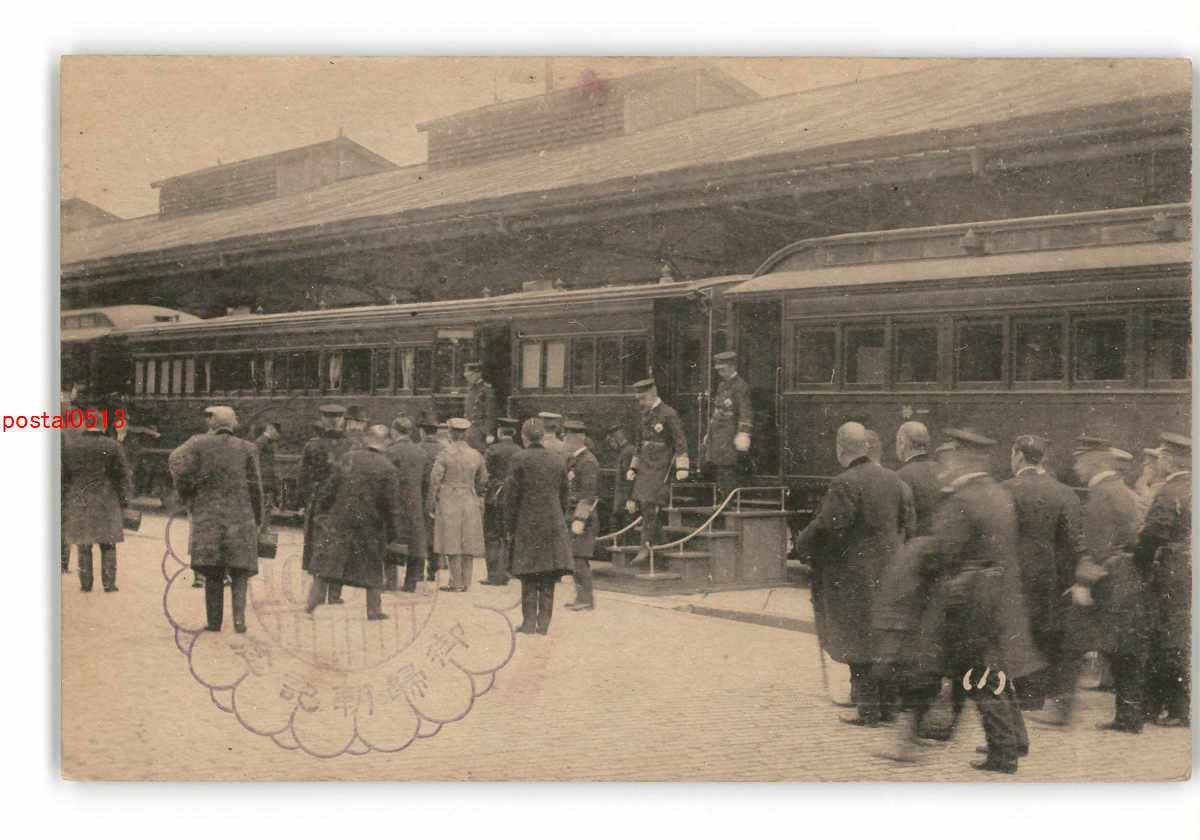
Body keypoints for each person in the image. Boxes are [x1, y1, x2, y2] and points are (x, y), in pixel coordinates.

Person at [902, 429, 1042, 773]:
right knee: (994, 670)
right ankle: (1016, 739)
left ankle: (1003, 752)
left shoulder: (963, 499)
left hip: (971, 602)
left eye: (949, 459)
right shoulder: (997, 492)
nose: (945, 467)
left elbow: (944, 550)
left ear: (961, 459)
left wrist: (919, 565)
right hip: (997, 596)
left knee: (978, 674)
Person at [792, 421, 908, 727]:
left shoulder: (844, 483)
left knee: (857, 638)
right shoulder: (894, 479)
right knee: (882, 639)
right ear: (866, 447)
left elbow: (830, 526)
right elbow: (905, 521)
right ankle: (889, 708)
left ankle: (867, 711)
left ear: (840, 449)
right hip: (889, 571)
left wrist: (801, 543)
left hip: (854, 576)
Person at [1002, 434, 1088, 715]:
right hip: (1049, 576)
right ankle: (1035, 695)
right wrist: (1067, 579)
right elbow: (1073, 542)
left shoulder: (1005, 489)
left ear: (1018, 455)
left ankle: (1017, 690)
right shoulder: (1064, 492)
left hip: (1013, 573)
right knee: (1043, 630)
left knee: (1016, 630)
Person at [1066, 438, 1145, 732]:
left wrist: (1083, 583)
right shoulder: (1123, 490)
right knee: (1123, 649)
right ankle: (1129, 716)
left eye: (1080, 460)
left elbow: (1097, 545)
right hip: (1126, 576)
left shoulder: (1101, 493)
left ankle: (1060, 709)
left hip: (1105, 579)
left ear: (1096, 461)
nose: (1076, 467)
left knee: (1074, 639)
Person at [168, 406, 264, 633]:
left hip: (208, 515)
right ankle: (239, 622)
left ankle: (214, 623)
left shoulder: (197, 443)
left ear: (213, 423)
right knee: (240, 571)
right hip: (241, 516)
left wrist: (188, 493)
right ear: (232, 423)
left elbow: (175, 462)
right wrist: (258, 517)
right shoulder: (247, 447)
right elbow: (256, 487)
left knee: (213, 571)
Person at [305, 425, 400, 620]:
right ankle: (374, 610)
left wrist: (322, 516)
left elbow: (328, 490)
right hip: (370, 525)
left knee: (326, 567)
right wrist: (393, 532)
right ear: (386, 442)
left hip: (339, 521)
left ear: (366, 439)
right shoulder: (388, 468)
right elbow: (391, 505)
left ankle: (311, 606)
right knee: (373, 569)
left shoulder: (347, 458)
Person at [1135, 432, 1190, 728]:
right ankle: (1166, 706)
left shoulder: (1170, 491)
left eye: (1160, 457)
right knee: (1180, 636)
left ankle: (1173, 708)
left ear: (1169, 460)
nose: (1157, 463)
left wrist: (1139, 562)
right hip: (1188, 569)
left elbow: (1154, 533)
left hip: (1172, 570)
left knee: (1166, 637)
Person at [505, 418, 574, 635]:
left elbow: (511, 496)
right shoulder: (557, 460)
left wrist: (509, 525)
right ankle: (544, 625)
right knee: (548, 576)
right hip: (553, 523)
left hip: (527, 522)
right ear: (543, 436)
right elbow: (565, 494)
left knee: (528, 575)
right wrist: (559, 517)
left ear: (524, 437)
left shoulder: (519, 458)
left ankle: (528, 623)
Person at [61, 416, 132, 592]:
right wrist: (124, 500)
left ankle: (86, 584)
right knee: (108, 543)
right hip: (106, 500)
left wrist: (65, 499)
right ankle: (109, 584)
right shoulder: (113, 446)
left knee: (83, 544)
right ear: (103, 426)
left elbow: (64, 476)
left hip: (80, 500)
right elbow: (123, 475)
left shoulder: (72, 446)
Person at [626, 379, 689, 564]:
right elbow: (639, 442)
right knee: (645, 504)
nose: (640, 402)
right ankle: (663, 543)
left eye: (643, 398)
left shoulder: (668, 413)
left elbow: (680, 440)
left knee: (650, 503)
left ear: (653, 393)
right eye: (638, 399)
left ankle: (644, 546)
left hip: (662, 463)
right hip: (646, 464)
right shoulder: (645, 414)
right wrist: (633, 466)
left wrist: (682, 465)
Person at [298, 405, 352, 605]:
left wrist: (301, 502)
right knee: (340, 544)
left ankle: (318, 591)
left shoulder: (312, 445)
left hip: (318, 500)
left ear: (322, 420)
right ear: (342, 421)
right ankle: (335, 594)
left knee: (317, 543)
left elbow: (303, 476)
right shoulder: (351, 445)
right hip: (343, 501)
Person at [427, 418, 488, 592]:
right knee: (468, 540)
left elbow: (434, 480)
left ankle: (456, 582)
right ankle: (466, 581)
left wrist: (431, 503)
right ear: (465, 434)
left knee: (451, 539)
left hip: (449, 499)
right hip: (470, 498)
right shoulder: (476, 455)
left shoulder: (444, 454)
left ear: (450, 433)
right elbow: (483, 479)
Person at [384, 416, 428, 593]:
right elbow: (426, 481)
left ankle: (391, 581)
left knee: (392, 538)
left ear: (394, 431)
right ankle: (411, 583)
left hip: (395, 502)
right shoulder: (421, 452)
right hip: (416, 502)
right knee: (416, 542)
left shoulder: (390, 451)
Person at [702, 350, 752, 504]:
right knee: (720, 467)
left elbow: (745, 411)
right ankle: (722, 499)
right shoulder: (722, 385)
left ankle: (728, 501)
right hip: (718, 433)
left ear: (732, 367)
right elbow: (717, 411)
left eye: (723, 369)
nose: (720, 373)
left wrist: (743, 433)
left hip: (730, 433)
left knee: (728, 468)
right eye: (719, 370)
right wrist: (708, 433)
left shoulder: (741, 386)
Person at [563, 419, 600, 611]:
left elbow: (589, 494)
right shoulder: (575, 460)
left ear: (578, 438)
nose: (565, 440)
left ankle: (585, 600)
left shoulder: (588, 462)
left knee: (579, 559)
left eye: (567, 437)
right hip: (573, 514)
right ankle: (581, 597)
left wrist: (579, 519)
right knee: (575, 558)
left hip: (584, 518)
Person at [481, 417, 522, 586]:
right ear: (514, 433)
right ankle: (507, 572)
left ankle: (493, 575)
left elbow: (484, 475)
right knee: (509, 535)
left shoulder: (492, 450)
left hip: (495, 497)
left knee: (492, 536)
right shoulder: (520, 451)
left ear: (499, 432)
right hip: (514, 497)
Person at [418, 412, 445, 581]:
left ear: (422, 431)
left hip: (420, 496)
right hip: (439, 497)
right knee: (435, 533)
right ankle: (433, 570)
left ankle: (418, 570)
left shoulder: (417, 448)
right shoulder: (445, 449)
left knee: (421, 533)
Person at [606, 423, 637, 532]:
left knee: (624, 528)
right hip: (622, 499)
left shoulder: (627, 452)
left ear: (616, 439)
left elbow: (630, 478)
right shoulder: (625, 451)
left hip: (624, 500)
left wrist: (630, 498)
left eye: (610, 441)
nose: (611, 446)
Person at [463, 361, 496, 452]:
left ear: (478, 374)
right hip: (469, 430)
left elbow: (490, 413)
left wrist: (488, 433)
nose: (467, 377)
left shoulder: (486, 390)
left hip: (480, 432)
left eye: (470, 375)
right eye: (466, 375)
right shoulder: (470, 389)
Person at [254, 421, 281, 513]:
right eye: (276, 433)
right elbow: (255, 458)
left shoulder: (268, 442)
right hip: (262, 475)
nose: (277, 437)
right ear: (271, 428)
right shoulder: (260, 441)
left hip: (268, 475)